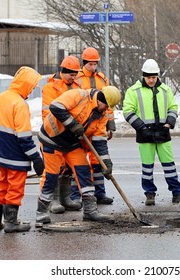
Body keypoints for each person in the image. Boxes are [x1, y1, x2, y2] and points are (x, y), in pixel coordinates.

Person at [37, 86, 121, 223]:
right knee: (51, 176)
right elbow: (55, 106)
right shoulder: (80, 96)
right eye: (105, 106)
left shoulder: (102, 115)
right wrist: (73, 124)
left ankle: (90, 211)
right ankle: (41, 212)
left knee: (84, 172)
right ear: (100, 99)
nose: (106, 109)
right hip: (51, 140)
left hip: (72, 145)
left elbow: (99, 141)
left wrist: (106, 162)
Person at [123, 58, 180, 206]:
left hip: (162, 132)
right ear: (143, 76)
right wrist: (142, 128)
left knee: (169, 165)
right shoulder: (133, 91)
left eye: (154, 77)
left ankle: (177, 193)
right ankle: (150, 194)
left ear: (157, 76)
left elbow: (173, 107)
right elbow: (128, 111)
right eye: (149, 77)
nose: (151, 80)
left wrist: (169, 123)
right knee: (147, 167)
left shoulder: (165, 90)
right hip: (145, 134)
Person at [0, 66, 44, 233]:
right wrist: (36, 157)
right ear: (26, 84)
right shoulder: (20, 104)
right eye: (32, 86)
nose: (33, 89)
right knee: (15, 187)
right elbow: (24, 137)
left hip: (0, 152)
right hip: (15, 154)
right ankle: (11, 223)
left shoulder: (1, 98)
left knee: (3, 184)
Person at [36, 56, 82, 224]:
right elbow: (48, 114)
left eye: (75, 74)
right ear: (63, 72)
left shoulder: (77, 85)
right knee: (54, 169)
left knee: (68, 168)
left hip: (70, 135)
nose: (73, 77)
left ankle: (65, 198)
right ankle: (53, 200)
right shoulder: (50, 88)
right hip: (54, 135)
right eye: (70, 74)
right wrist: (66, 125)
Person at [71, 46, 115, 205]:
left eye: (95, 63)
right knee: (78, 162)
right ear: (84, 63)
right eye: (90, 64)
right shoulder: (78, 78)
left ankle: (99, 193)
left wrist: (111, 123)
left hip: (98, 123)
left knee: (97, 162)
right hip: (81, 124)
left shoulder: (102, 79)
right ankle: (75, 195)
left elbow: (108, 102)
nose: (93, 67)